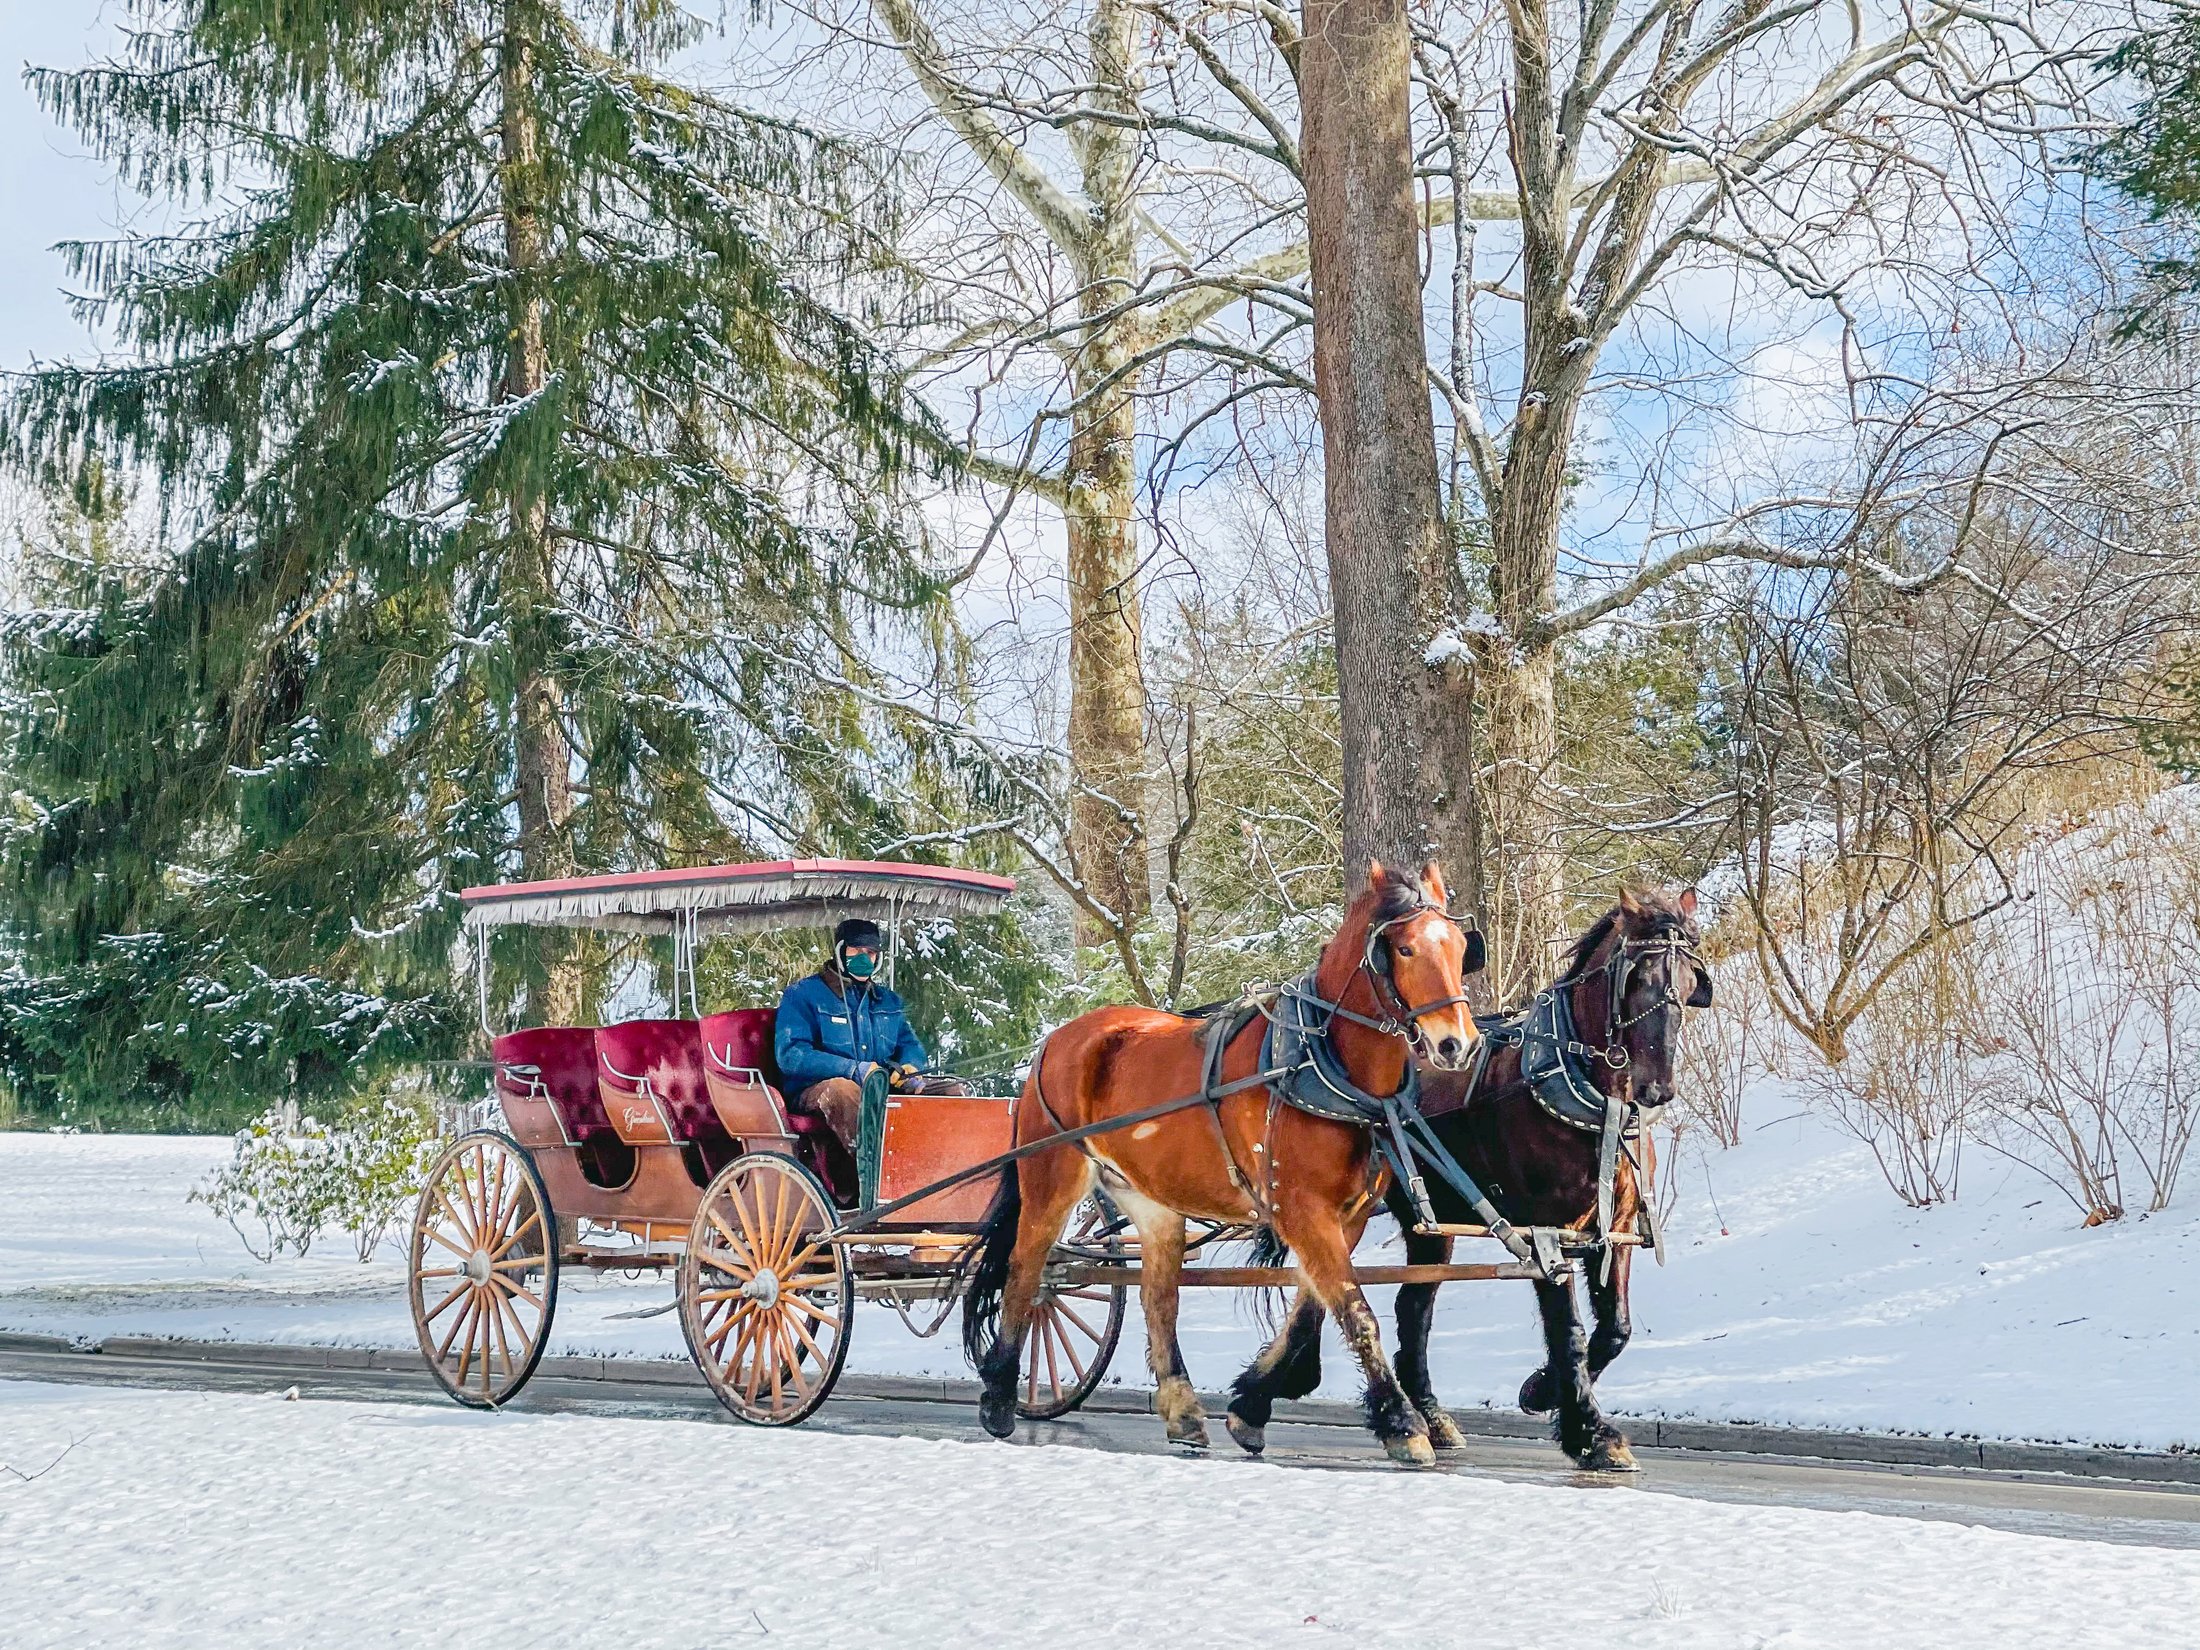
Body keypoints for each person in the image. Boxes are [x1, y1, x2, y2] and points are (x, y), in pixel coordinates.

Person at [773, 917, 965, 1151]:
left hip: (880, 1087)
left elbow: (909, 1045)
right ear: (840, 952)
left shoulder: (888, 1000)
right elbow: (792, 1055)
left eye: (871, 952)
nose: (864, 959)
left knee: (951, 1090)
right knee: (844, 1090)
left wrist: (909, 1067)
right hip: (817, 1092)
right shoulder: (803, 994)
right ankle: (873, 1172)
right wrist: (852, 1069)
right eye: (856, 950)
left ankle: (942, 1165)